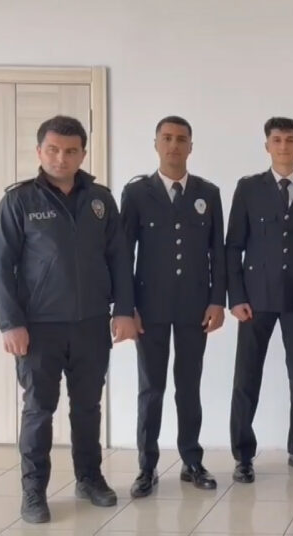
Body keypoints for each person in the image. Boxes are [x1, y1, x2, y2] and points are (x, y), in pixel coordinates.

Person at [0, 115, 137, 523]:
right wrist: (10, 323)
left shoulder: (100, 200)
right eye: (53, 150)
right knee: (39, 409)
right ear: (39, 152)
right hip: (39, 327)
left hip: (91, 323)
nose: (62, 158)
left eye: (71, 151)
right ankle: (33, 491)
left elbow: (119, 259)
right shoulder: (20, 201)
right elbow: (0, 266)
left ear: (83, 154)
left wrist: (123, 310)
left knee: (88, 407)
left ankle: (89, 478)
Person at [226, 117, 293, 483]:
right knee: (246, 379)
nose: (284, 146)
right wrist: (235, 296)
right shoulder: (248, 188)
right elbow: (233, 246)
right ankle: (243, 455)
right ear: (267, 146)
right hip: (254, 300)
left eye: (290, 140)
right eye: (277, 140)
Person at [120, 116, 225, 498]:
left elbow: (218, 252)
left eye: (181, 139)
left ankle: (191, 460)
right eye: (167, 138)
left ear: (191, 146)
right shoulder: (136, 193)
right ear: (156, 144)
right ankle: (146, 467)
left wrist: (217, 300)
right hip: (149, 308)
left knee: (189, 386)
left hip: (194, 308)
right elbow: (123, 254)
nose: (174, 145)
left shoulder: (207, 193)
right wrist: (126, 307)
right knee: (151, 389)